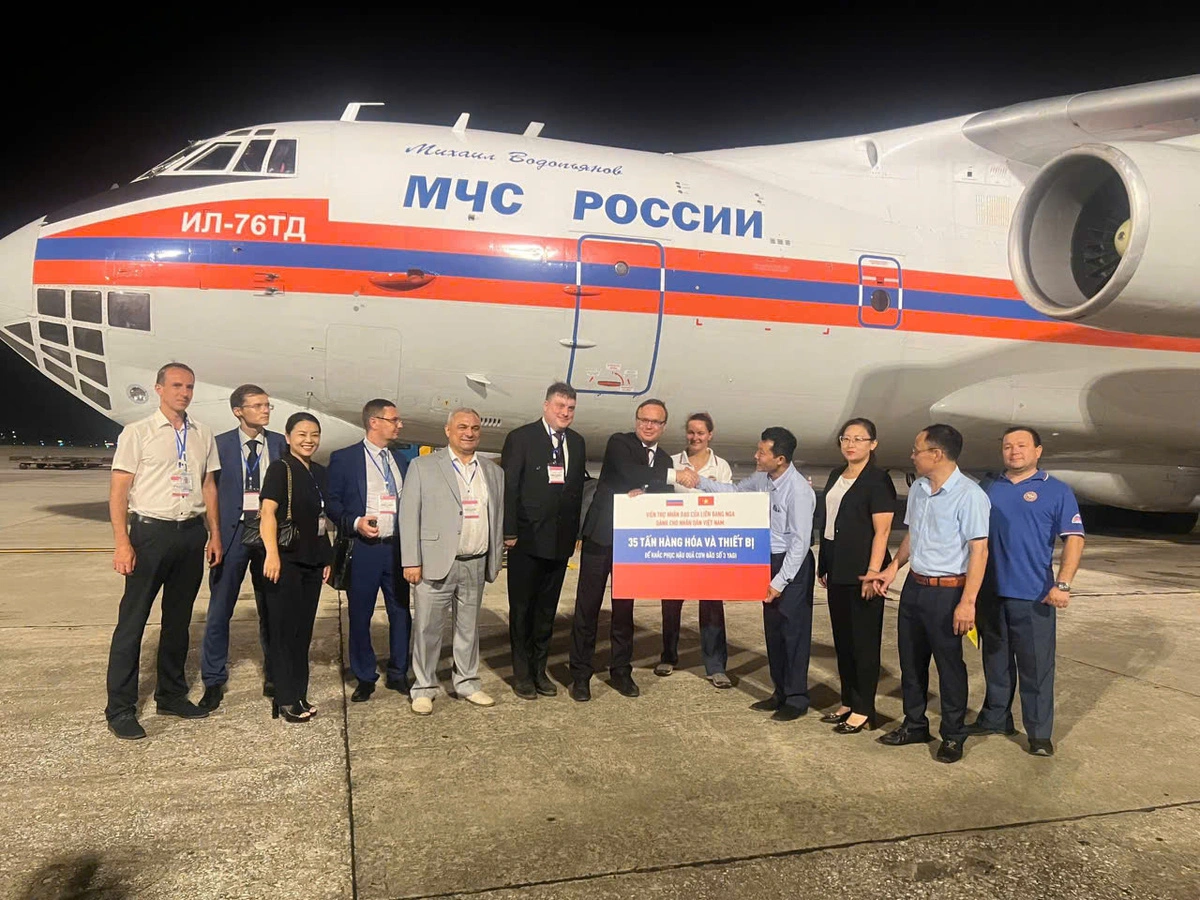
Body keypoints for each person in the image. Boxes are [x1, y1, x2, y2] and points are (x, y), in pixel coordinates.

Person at [104, 363, 222, 740]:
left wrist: (214, 534)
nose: (183, 392)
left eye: (188, 386)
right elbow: (120, 491)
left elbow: (208, 487)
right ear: (158, 389)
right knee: (133, 622)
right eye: (175, 385)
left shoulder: (203, 433)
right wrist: (123, 542)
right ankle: (120, 707)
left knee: (178, 622)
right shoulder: (137, 433)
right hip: (150, 534)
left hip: (189, 535)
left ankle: (170, 694)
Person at [863, 424, 990, 764]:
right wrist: (892, 569)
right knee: (911, 662)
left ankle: (953, 734)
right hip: (915, 589)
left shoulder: (970, 495)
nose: (912, 456)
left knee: (949, 666)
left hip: (949, 594)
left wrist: (968, 603)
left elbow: (980, 551)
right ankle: (915, 723)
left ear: (936, 454)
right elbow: (913, 535)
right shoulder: (919, 488)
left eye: (916, 450)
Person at [676, 427, 816, 720]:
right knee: (774, 632)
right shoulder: (764, 478)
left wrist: (779, 582)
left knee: (794, 634)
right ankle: (780, 692)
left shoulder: (799, 490)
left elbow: (801, 543)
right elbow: (735, 493)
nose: (756, 455)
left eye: (762, 452)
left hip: (792, 566)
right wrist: (699, 481)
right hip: (769, 561)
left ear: (779, 458)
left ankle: (796, 698)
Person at [969, 426, 1085, 757]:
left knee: (1036, 667)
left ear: (1038, 451)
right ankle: (995, 718)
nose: (1014, 451)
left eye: (1022, 445)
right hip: (990, 593)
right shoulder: (988, 487)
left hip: (1034, 595)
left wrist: (1062, 583)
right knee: (995, 661)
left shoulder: (1056, 491)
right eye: (1007, 446)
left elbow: (1074, 538)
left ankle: (1038, 734)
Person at [569, 399, 681, 702]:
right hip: (602, 535)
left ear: (663, 427)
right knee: (587, 607)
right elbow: (628, 472)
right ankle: (580, 673)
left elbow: (659, 496)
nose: (648, 425)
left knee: (624, 610)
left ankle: (620, 670)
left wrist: (644, 492)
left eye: (655, 422)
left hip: (633, 542)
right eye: (644, 419)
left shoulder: (665, 460)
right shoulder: (619, 443)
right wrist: (655, 481)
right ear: (636, 420)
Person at [400, 409, 505, 715]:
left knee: (469, 629)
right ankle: (423, 687)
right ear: (448, 431)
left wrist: (494, 558)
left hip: (475, 561)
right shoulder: (423, 466)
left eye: (474, 427)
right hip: (435, 561)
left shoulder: (493, 471)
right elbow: (409, 516)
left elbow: (496, 517)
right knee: (427, 629)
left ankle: (468, 683)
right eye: (462, 427)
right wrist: (411, 560)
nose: (469, 433)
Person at [199, 385, 288, 710]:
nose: (264, 411)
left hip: (268, 536)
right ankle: (213, 679)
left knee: (272, 610)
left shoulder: (279, 443)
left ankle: (275, 675)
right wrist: (214, 534)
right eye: (257, 406)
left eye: (267, 405)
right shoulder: (219, 445)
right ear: (238, 411)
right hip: (232, 534)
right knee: (220, 610)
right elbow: (209, 492)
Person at [501, 383, 588, 700]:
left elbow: (576, 491)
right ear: (546, 406)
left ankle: (540, 671)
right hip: (526, 539)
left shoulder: (576, 443)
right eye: (560, 406)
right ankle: (521, 674)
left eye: (570, 408)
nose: (565, 413)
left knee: (546, 611)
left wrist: (576, 532)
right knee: (522, 609)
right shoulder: (522, 438)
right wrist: (508, 531)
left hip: (560, 541)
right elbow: (509, 487)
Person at [327, 400, 412, 702]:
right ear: (374, 422)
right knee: (360, 614)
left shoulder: (401, 461)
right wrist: (355, 522)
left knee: (401, 613)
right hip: (363, 550)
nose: (399, 425)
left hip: (397, 548)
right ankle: (364, 675)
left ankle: (399, 672)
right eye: (394, 420)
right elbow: (333, 503)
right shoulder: (345, 459)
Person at [816, 418, 896, 734]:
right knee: (844, 640)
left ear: (872, 444)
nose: (851, 444)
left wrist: (874, 572)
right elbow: (829, 523)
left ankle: (865, 708)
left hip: (864, 570)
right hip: (837, 568)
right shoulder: (838, 474)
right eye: (846, 438)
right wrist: (825, 563)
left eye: (859, 439)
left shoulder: (877, 481)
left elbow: (883, 531)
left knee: (864, 643)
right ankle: (848, 700)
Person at [260, 413, 333, 722]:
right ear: (287, 437)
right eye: (301, 433)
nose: (309, 439)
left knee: (303, 632)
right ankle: (285, 698)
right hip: (287, 560)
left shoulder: (318, 472)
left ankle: (299, 694)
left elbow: (322, 521)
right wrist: (272, 555)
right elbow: (267, 513)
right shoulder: (280, 469)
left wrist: (327, 557)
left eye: (314, 434)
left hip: (313, 560)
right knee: (283, 630)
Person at [654, 412, 735, 688]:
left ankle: (715, 666)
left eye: (701, 433)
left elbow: (728, 501)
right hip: (676, 543)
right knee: (671, 603)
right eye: (691, 432)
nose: (695, 437)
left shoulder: (721, 466)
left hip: (708, 545)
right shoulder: (672, 462)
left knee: (712, 605)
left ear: (710, 435)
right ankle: (668, 655)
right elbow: (659, 496)